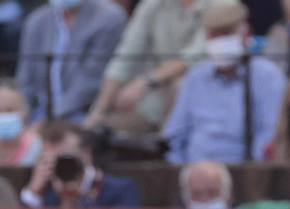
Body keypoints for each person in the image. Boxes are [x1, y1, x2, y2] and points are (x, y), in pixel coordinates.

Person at [162, 1, 285, 164]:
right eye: (214, 36)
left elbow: (271, 133)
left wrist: (250, 169)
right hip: (195, 171)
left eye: (227, 34)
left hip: (245, 171)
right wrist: (182, 169)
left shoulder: (268, 76)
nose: (221, 42)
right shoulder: (195, 77)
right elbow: (174, 135)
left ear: (246, 34)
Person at [86, 0, 214, 133]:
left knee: (179, 86)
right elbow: (125, 56)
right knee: (100, 131)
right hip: (154, 101)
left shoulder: (220, 4)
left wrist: (146, 80)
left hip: (205, 99)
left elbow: (195, 56)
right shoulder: (152, 4)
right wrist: (99, 109)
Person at [15, 0, 125, 123]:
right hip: (39, 114)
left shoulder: (108, 17)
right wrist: (24, 115)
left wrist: (51, 118)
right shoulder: (36, 21)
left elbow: (92, 78)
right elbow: (25, 77)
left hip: (85, 114)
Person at [21, 117, 140, 207]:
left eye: (66, 160)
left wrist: (78, 199)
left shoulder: (121, 189)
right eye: (53, 161)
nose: (62, 167)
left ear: (87, 155)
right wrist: (33, 192)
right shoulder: (45, 192)